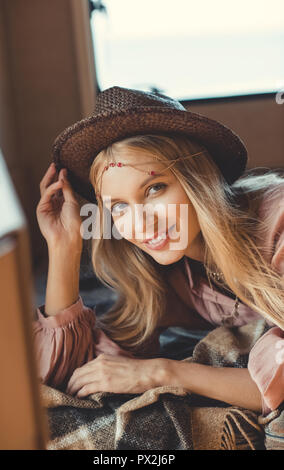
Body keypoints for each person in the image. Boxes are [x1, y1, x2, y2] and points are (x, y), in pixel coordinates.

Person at [33, 86, 284, 416]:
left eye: (154, 189)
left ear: (197, 178)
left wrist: (162, 372)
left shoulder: (276, 225)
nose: (141, 224)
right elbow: (63, 376)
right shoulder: (165, 272)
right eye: (119, 207)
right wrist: (62, 249)